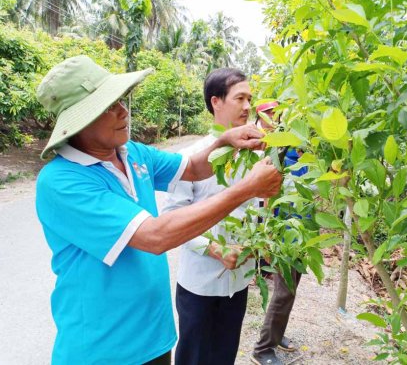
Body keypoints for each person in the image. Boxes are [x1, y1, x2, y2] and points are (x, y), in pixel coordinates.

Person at [34, 55, 282, 365]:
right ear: (79, 121)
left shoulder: (133, 153)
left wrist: (225, 141)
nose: (123, 111)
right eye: (109, 106)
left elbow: (192, 166)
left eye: (121, 101)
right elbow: (155, 236)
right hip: (101, 349)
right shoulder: (62, 182)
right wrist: (247, 188)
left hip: (154, 337)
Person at [161, 68, 256, 365]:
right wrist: (216, 250)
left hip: (237, 284)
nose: (247, 106)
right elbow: (173, 217)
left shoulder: (255, 154)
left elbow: (257, 211)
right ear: (216, 102)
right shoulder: (191, 158)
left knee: (224, 356)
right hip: (199, 286)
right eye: (240, 98)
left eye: (250, 98)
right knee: (194, 358)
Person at [251, 101, 307, 365]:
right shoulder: (269, 152)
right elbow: (263, 199)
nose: (275, 118)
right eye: (269, 114)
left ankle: (278, 335)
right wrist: (268, 237)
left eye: (278, 113)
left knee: (292, 289)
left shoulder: (298, 148)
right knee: (284, 291)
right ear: (260, 118)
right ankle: (263, 348)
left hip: (302, 231)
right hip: (282, 231)